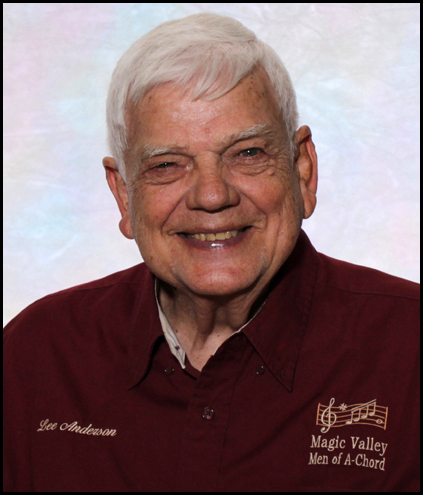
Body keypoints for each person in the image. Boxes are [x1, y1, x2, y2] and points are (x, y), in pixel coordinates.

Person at [3, 13, 419, 492]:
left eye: (247, 153)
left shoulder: (409, 351)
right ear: (124, 196)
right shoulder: (37, 358)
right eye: (166, 165)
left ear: (302, 171)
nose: (212, 196)